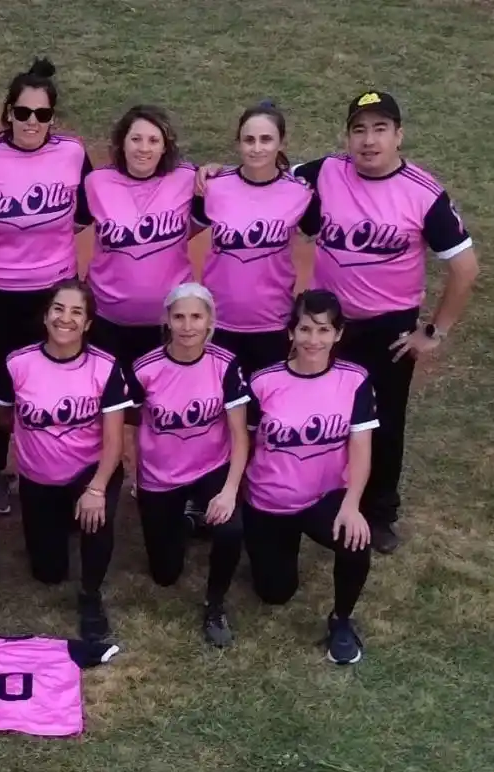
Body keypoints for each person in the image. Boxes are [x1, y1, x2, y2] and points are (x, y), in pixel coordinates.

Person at [202, 91, 480, 554]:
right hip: (327, 325)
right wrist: (213, 172)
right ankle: (306, 493)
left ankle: (380, 511)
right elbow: (264, 171)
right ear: (347, 135)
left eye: (380, 129)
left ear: (398, 134)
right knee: (302, 410)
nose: (368, 141)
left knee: (384, 420)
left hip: (388, 327)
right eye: (359, 129)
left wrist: (434, 332)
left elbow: (466, 267)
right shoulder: (324, 173)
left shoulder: (422, 192)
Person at [0, 58, 94, 515]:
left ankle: (64, 467)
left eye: (41, 114)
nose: (31, 122)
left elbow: (84, 213)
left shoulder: (73, 154)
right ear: (8, 113)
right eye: (22, 112)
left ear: (53, 118)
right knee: (0, 385)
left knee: (57, 380)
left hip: (53, 294)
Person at [0, 279, 130, 642]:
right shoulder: (18, 363)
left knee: (96, 521)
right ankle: (65, 522)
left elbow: (115, 441)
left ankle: (90, 595)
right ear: (46, 316)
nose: (65, 319)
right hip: (38, 479)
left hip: (89, 471)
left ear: (87, 324)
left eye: (76, 312)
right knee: (48, 573)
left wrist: (97, 488)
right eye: (58, 309)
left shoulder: (105, 366)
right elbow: (0, 416)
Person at [243, 290, 378, 664]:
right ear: (290, 332)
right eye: (304, 329)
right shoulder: (262, 383)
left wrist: (352, 505)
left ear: (338, 334)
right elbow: (245, 444)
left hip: (325, 496)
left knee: (355, 541)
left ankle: (342, 619)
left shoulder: (355, 381)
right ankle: (266, 546)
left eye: (323, 330)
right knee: (274, 593)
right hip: (269, 500)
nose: (313, 340)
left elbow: (361, 448)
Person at [128, 283, 249, 646]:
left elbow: (240, 435)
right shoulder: (145, 368)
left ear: (210, 321)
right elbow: (128, 422)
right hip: (160, 476)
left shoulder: (224, 364)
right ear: (166, 320)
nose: (187, 326)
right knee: (165, 574)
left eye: (196, 316)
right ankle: (188, 517)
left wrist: (229, 491)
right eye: (179, 316)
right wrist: (135, 470)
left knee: (230, 528)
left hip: (210, 467)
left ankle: (215, 604)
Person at [193, 102, 320, 374]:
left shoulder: (299, 193)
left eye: (266, 139)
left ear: (281, 143)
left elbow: (328, 238)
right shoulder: (214, 186)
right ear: (238, 142)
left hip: (272, 325)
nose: (257, 147)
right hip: (218, 322)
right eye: (249, 140)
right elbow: (180, 235)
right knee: (218, 408)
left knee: (266, 409)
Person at [84, 104, 199, 374]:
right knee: (109, 403)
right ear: (122, 143)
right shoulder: (95, 183)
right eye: (135, 139)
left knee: (163, 404)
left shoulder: (188, 179)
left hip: (170, 322)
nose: (143, 148)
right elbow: (70, 224)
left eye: (153, 140)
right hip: (107, 320)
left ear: (164, 147)